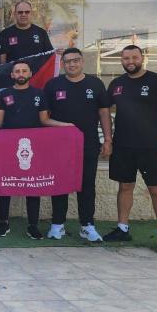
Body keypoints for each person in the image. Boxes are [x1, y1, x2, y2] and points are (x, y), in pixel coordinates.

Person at [0, 60, 73, 240]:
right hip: (8, 147)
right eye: (17, 71)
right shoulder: (4, 94)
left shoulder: (39, 94)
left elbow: (44, 120)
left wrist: (65, 125)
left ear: (30, 73)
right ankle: (3, 222)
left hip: (33, 147)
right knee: (5, 184)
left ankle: (33, 225)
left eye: (24, 71)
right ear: (12, 75)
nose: (21, 74)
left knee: (33, 185)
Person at [103, 45, 157, 251]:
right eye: (126, 58)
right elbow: (104, 110)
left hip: (151, 147)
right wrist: (108, 140)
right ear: (121, 60)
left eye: (134, 57)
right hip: (123, 146)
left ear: (142, 58)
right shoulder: (116, 84)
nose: (130, 62)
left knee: (156, 190)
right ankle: (122, 228)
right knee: (125, 187)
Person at [44, 48, 112, 242]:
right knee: (60, 184)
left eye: (75, 60)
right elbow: (44, 117)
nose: (72, 64)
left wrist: (108, 140)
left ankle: (87, 225)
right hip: (60, 145)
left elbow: (104, 113)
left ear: (82, 61)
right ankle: (57, 224)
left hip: (88, 143)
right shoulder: (53, 85)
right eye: (67, 61)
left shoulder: (95, 84)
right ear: (63, 64)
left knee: (87, 184)